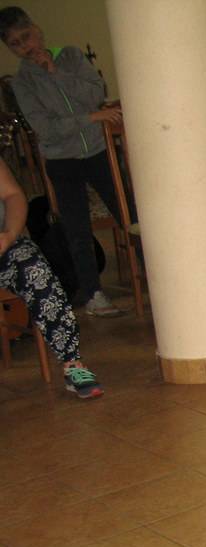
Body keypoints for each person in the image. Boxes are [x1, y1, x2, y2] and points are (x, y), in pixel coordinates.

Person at [1, 5, 123, 317]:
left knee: (129, 212)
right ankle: (93, 294)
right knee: (76, 228)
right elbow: (46, 128)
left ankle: (155, 274)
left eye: (26, 36)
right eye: (15, 44)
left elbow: (95, 93)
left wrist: (56, 73)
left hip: (97, 150)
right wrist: (91, 117)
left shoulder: (69, 56)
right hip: (62, 159)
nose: (25, 46)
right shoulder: (22, 82)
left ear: (36, 29)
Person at [0, 158, 102, 398]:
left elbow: (13, 195)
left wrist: (9, 235)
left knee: (33, 267)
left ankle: (72, 363)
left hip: (4, 247)